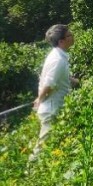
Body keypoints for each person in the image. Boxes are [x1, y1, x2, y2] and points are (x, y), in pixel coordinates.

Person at [30, 24, 78, 160]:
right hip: (51, 109)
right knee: (42, 145)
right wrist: (39, 99)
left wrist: (72, 80)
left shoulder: (58, 56)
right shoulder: (58, 60)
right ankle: (30, 170)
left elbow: (56, 77)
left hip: (54, 107)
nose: (72, 36)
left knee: (54, 142)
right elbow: (49, 84)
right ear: (61, 41)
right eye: (69, 35)